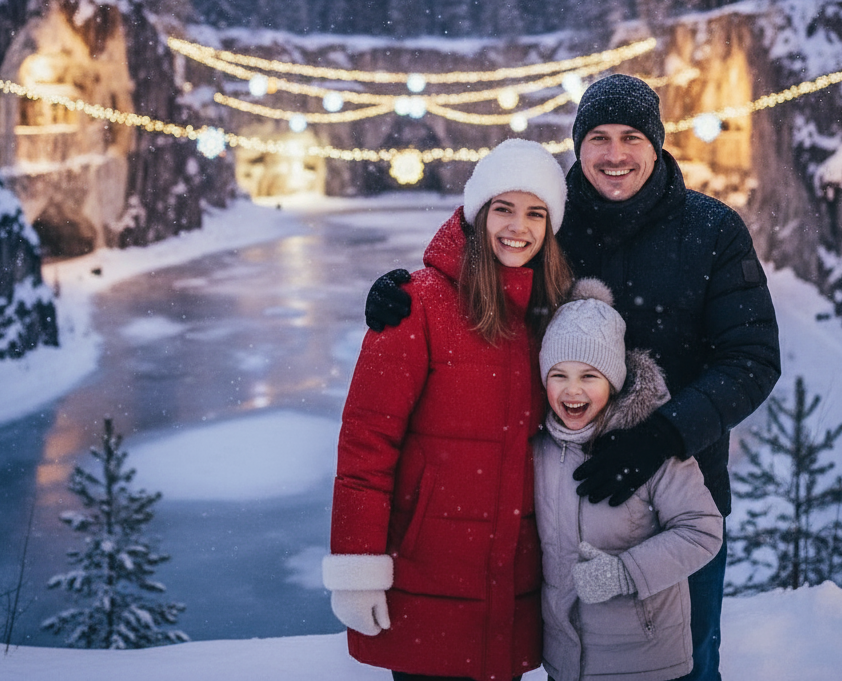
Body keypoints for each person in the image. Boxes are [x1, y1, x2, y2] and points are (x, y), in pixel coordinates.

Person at [365, 74, 781, 681]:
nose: (615, 155)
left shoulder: (711, 229)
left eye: (632, 137)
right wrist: (410, 288)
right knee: (575, 663)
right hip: (561, 496)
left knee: (687, 663)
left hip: (677, 496)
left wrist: (662, 436)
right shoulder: (554, 218)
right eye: (599, 139)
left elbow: (751, 358)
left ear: (657, 144)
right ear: (578, 146)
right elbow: (484, 243)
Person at [323, 138, 573, 681]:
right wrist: (357, 567)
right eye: (503, 209)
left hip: (511, 582)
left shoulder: (552, 315)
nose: (517, 227)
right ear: (476, 214)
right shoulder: (418, 306)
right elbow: (367, 443)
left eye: (535, 213)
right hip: (424, 578)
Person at [535, 277, 723, 681]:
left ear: (614, 380)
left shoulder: (649, 452)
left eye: (589, 376)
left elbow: (703, 530)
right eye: (558, 375)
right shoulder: (539, 449)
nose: (571, 391)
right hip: (566, 660)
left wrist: (625, 573)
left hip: (646, 661)